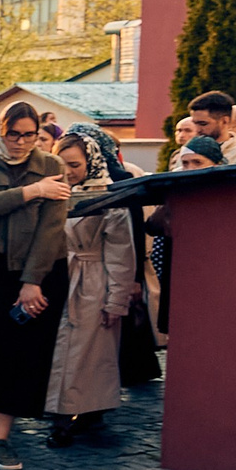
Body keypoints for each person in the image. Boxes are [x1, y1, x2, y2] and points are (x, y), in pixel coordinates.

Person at [0, 100, 69, 470]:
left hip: (37, 268)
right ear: (1, 131)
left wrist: (32, 282)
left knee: (17, 352)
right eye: (13, 134)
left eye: (29, 135)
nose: (21, 142)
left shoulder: (51, 166)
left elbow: (51, 227)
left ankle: (1, 437)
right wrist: (32, 192)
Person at [45, 131, 139, 448]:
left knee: (84, 353)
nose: (69, 171)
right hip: (58, 279)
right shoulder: (53, 191)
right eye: (63, 163)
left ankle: (68, 419)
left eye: (75, 164)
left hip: (92, 280)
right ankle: (69, 412)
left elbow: (121, 253)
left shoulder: (109, 197)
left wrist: (116, 301)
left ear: (91, 162)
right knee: (64, 352)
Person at [185, 91, 236, 165]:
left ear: (224, 121)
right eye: (195, 123)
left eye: (203, 124)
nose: (197, 129)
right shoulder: (187, 153)